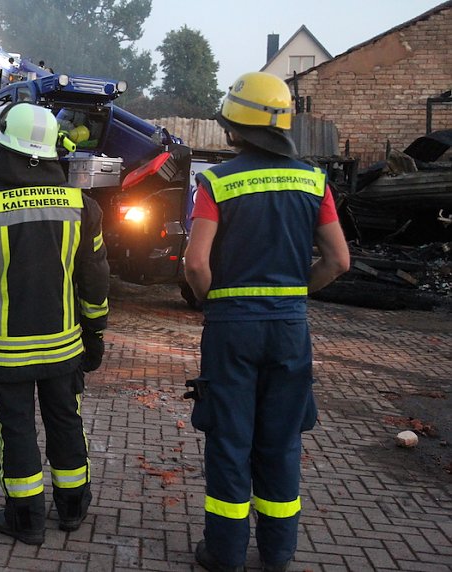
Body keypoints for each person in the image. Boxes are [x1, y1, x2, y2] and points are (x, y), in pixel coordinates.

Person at [183, 71, 350, 572]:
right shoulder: (313, 181)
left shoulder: (216, 181)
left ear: (234, 125)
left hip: (232, 328)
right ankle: (277, 555)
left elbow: (195, 264)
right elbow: (339, 261)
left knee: (231, 442)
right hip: (289, 328)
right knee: (280, 442)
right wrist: (296, 294)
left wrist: (215, 301)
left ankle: (225, 554)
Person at [0, 102, 110, 545]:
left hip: (5, 352)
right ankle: (72, 508)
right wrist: (95, 333)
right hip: (64, 348)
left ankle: (26, 518)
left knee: (15, 430)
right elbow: (94, 278)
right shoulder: (83, 207)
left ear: (5, 150)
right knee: (66, 422)